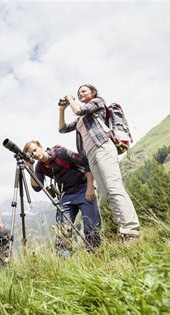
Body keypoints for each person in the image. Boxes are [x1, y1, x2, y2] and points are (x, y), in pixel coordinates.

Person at [58, 84, 140, 243]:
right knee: (107, 193)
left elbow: (79, 110)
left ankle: (131, 231)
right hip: (91, 155)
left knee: (114, 187)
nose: (80, 94)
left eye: (83, 91)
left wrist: (69, 98)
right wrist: (62, 109)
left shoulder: (97, 102)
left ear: (93, 93)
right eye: (78, 93)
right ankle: (124, 233)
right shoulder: (81, 119)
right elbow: (62, 129)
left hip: (103, 146)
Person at [23, 140, 101, 255]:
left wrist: (90, 187)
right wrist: (30, 168)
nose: (34, 154)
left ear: (40, 146)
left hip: (83, 189)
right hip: (66, 195)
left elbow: (85, 162)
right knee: (63, 231)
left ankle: (95, 254)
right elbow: (37, 188)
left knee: (91, 227)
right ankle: (64, 259)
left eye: (34, 150)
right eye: (31, 154)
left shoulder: (61, 153)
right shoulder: (40, 167)